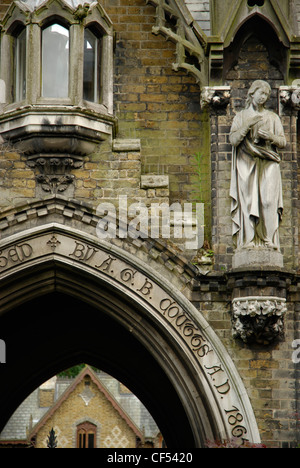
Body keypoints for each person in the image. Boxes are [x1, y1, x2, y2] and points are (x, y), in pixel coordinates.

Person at [229, 80, 286, 251]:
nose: (264, 97)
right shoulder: (241, 116)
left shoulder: (272, 117)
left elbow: (282, 141)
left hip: (269, 161)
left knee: (269, 201)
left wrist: (270, 137)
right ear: (252, 93)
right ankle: (249, 239)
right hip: (246, 161)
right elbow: (233, 140)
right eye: (261, 93)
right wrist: (247, 126)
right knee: (247, 201)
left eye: (266, 95)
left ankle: (269, 239)